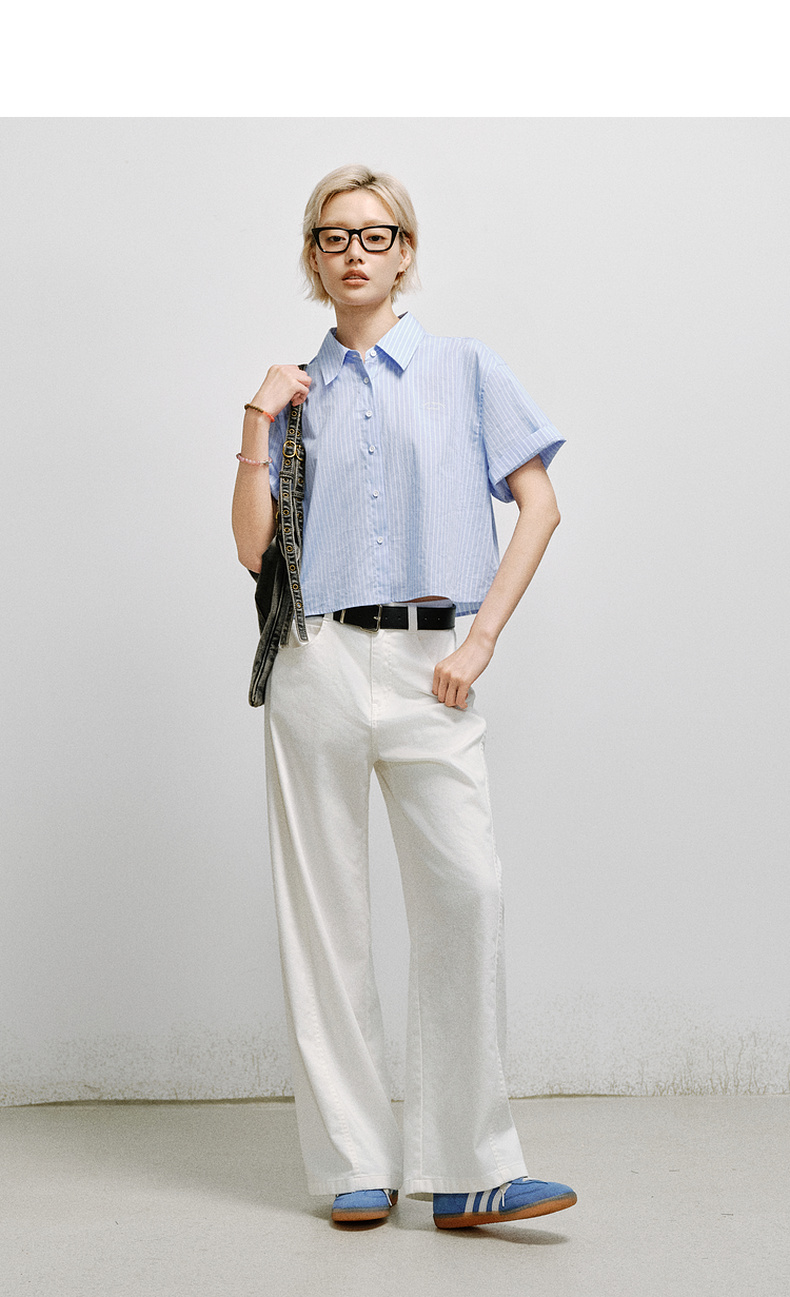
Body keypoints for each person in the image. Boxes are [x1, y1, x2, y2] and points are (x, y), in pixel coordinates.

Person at [232, 165, 576, 1229]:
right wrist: (257, 420)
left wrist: (481, 639)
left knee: (466, 891)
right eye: (333, 237)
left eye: (374, 235)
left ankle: (470, 1166)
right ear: (313, 256)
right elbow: (253, 551)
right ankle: (353, 1162)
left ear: (405, 251)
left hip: (433, 662)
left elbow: (539, 505)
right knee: (324, 916)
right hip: (317, 659)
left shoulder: (466, 369)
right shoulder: (297, 391)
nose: (354, 253)